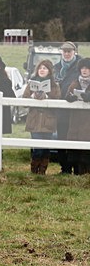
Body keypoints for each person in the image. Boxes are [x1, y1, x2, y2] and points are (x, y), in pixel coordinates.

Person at [22, 59, 60, 174]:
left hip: (48, 120)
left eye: (45, 68)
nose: (42, 70)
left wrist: (47, 97)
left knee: (45, 148)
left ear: (49, 71)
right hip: (34, 120)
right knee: (37, 148)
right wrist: (33, 96)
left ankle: (42, 172)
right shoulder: (31, 83)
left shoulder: (55, 85)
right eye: (40, 68)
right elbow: (24, 99)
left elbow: (58, 99)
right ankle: (34, 171)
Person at [53, 41, 82, 174]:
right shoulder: (56, 68)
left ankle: (77, 168)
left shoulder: (80, 67)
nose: (66, 54)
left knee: (75, 138)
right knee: (61, 138)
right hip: (60, 110)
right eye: (64, 51)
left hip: (76, 111)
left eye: (69, 51)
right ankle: (64, 168)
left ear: (74, 52)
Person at [63, 57, 90, 175]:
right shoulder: (74, 83)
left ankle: (86, 173)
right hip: (75, 120)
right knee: (74, 147)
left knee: (86, 147)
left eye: (87, 68)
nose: (84, 70)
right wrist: (70, 98)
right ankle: (76, 173)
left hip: (88, 120)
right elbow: (66, 95)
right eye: (83, 68)